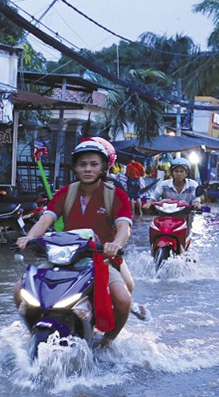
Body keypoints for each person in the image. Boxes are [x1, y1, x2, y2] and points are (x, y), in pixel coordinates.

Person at [15, 138, 136, 346]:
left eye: (93, 164)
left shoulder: (116, 196)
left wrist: (115, 244)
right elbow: (46, 220)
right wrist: (30, 237)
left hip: (100, 258)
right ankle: (33, 329)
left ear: (103, 168)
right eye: (83, 165)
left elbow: (124, 227)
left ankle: (108, 340)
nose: (88, 169)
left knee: (123, 300)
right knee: (19, 290)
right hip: (62, 256)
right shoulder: (66, 193)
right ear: (75, 168)